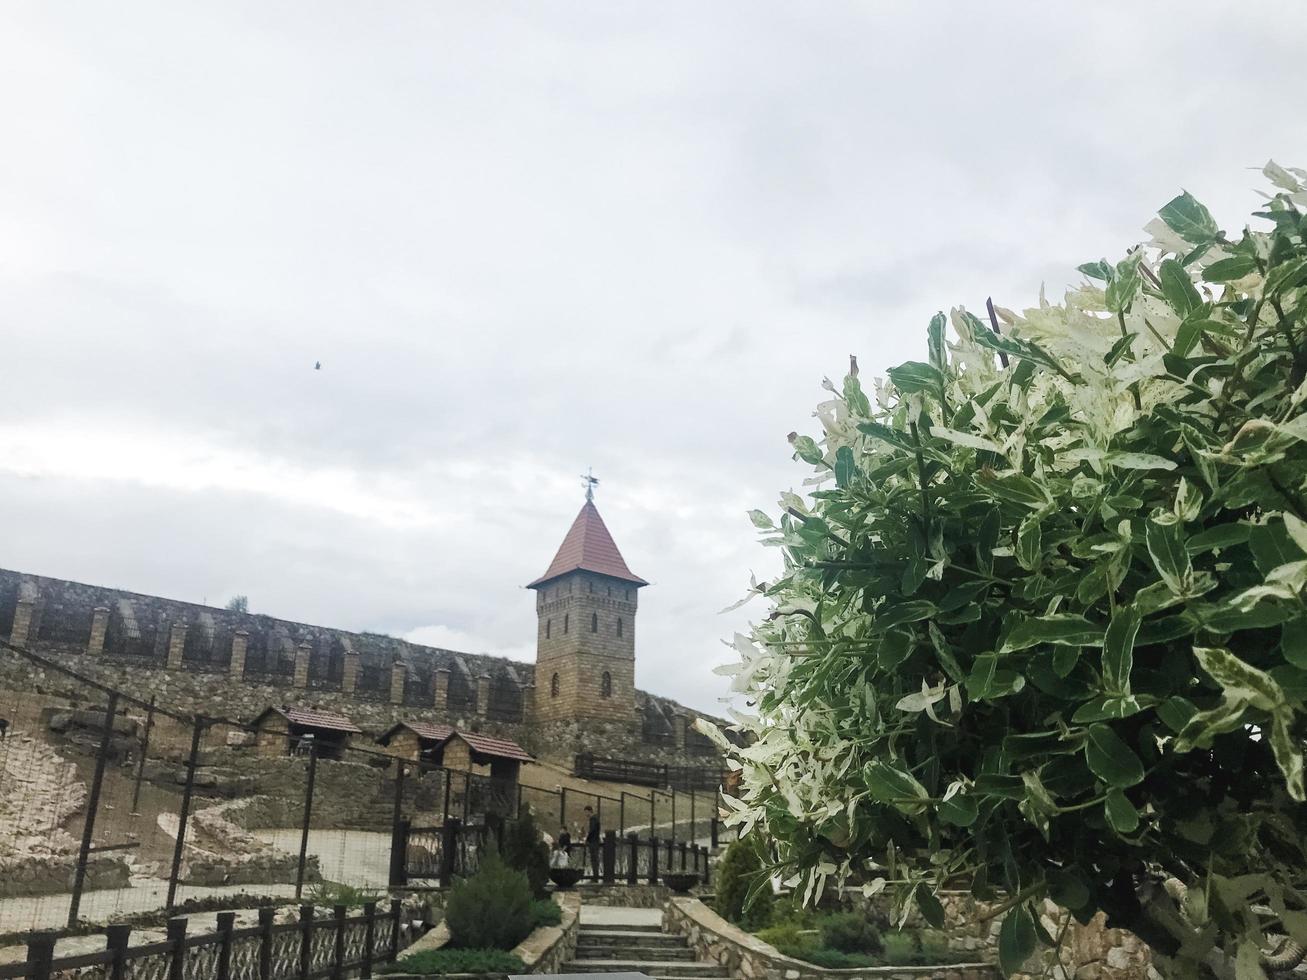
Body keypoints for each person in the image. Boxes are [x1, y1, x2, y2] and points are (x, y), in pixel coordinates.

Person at [584, 805, 601, 878]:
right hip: (596, 840)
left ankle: (595, 877)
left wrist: (587, 839)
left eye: (586, 812)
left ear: (589, 811)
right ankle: (596, 876)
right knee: (595, 859)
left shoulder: (593, 819)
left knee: (594, 859)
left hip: (593, 841)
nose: (585, 814)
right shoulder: (596, 818)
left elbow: (592, 830)